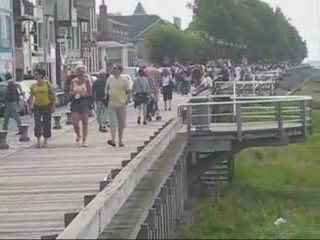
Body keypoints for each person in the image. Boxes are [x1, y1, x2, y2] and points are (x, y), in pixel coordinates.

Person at [105, 64, 131, 147]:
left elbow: (128, 91)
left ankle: (120, 140)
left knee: (121, 123)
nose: (113, 70)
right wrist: (106, 95)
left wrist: (127, 100)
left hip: (121, 104)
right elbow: (106, 88)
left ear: (120, 70)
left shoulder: (124, 80)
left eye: (115, 68)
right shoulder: (110, 79)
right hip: (111, 104)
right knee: (113, 123)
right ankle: (113, 140)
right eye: (113, 68)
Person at [28, 69, 55, 148]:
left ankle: (46, 140)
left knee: (47, 123)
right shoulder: (33, 85)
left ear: (41, 75)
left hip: (46, 105)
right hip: (37, 106)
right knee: (37, 123)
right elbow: (30, 97)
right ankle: (38, 141)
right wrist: (29, 108)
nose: (35, 75)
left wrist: (53, 106)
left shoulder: (47, 84)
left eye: (36, 74)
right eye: (35, 74)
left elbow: (53, 95)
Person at [69, 65, 93, 147]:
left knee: (85, 121)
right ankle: (78, 134)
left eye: (82, 72)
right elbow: (70, 92)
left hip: (84, 102)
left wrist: (84, 94)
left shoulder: (87, 81)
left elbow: (90, 93)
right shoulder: (73, 81)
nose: (80, 73)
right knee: (75, 122)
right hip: (75, 102)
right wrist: (74, 93)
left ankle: (84, 140)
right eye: (79, 72)